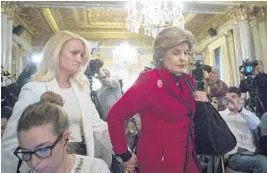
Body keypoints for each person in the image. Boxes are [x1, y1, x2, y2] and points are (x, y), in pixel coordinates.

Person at [1, 31, 113, 173]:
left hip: (81, 160)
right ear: (56, 53)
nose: (79, 59)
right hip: (47, 160)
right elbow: (12, 140)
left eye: (82, 55)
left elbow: (97, 125)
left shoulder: (81, 88)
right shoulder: (35, 88)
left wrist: (124, 150)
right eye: (74, 53)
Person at [107, 26, 209, 173]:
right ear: (162, 55)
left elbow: (188, 117)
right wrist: (124, 154)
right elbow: (115, 117)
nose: (183, 58)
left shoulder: (188, 81)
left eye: (186, 53)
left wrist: (203, 104)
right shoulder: (148, 81)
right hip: (159, 163)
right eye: (176, 53)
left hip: (189, 158)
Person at [14, 91, 110, 173]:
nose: (34, 163)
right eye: (26, 152)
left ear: (65, 138)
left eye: (43, 150)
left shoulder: (94, 169)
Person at [212, 87, 267, 173]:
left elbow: (256, 123)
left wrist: (239, 109)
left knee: (262, 160)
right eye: (227, 98)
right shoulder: (220, 115)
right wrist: (211, 111)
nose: (230, 100)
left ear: (240, 99)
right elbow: (210, 130)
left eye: (233, 97)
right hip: (234, 156)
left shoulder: (246, 114)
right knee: (262, 163)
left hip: (252, 153)